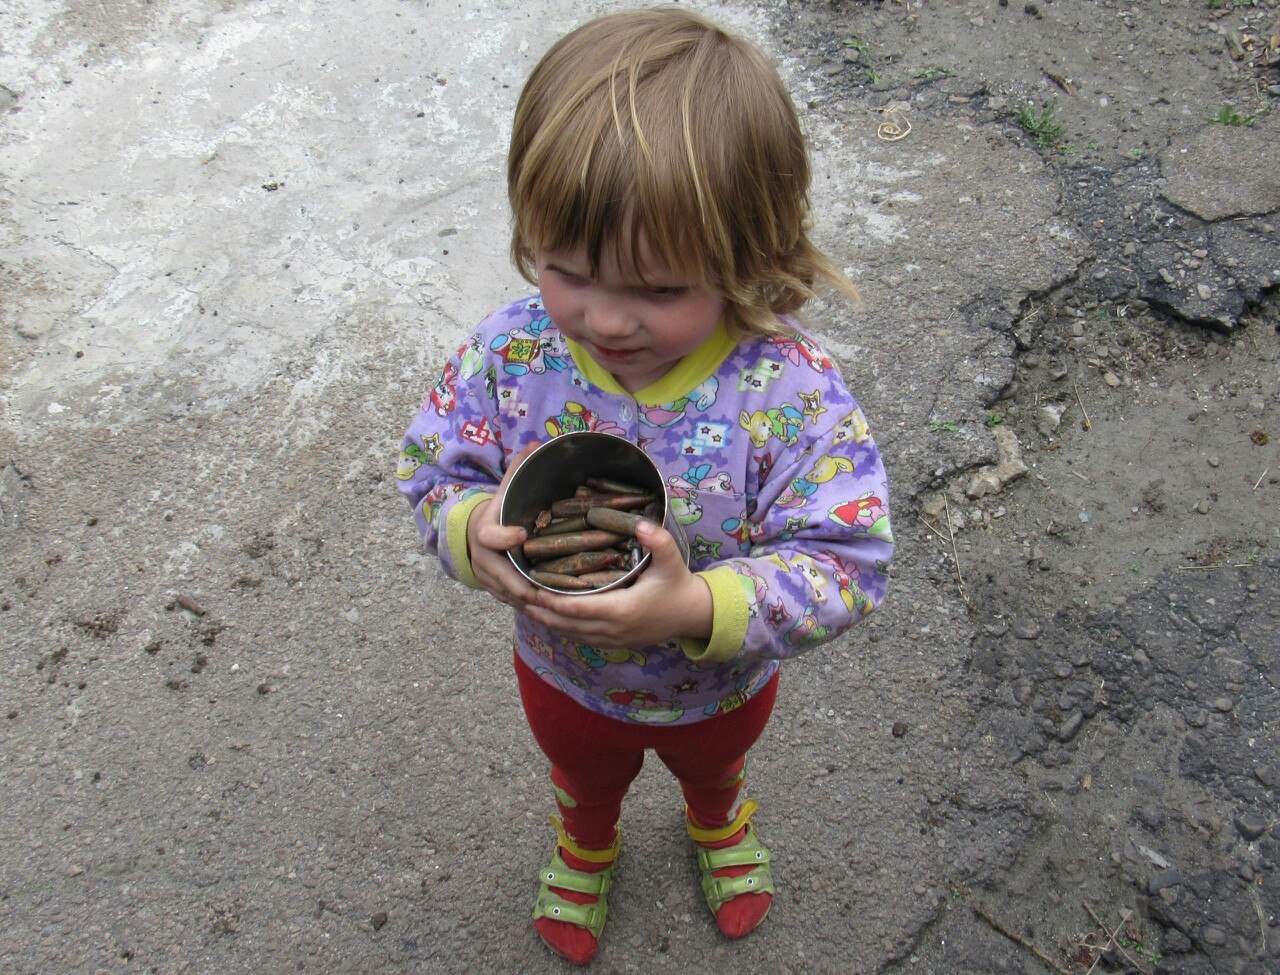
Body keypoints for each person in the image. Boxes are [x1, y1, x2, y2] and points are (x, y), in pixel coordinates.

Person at [398, 8, 893, 965]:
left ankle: (718, 818)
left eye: (661, 289)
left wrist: (698, 603)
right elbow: (432, 467)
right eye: (567, 270)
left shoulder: (786, 390)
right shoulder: (512, 352)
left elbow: (849, 560)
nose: (606, 317)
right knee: (583, 773)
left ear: (750, 258)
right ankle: (586, 840)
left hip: (718, 683)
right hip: (564, 672)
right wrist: (470, 533)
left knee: (712, 765)